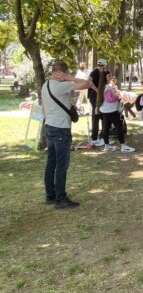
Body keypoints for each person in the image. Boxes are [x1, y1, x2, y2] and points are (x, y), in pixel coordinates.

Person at [42, 60, 92, 209]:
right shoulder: (62, 85)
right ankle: (61, 198)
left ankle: (50, 195)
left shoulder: (45, 85)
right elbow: (87, 83)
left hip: (49, 126)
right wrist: (69, 78)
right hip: (61, 128)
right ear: (62, 73)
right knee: (61, 165)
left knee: (51, 162)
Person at [97, 71, 135, 153]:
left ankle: (107, 146)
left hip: (106, 110)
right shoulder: (107, 87)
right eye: (109, 76)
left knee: (106, 128)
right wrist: (119, 96)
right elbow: (109, 99)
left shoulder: (104, 86)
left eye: (111, 75)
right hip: (111, 110)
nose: (111, 77)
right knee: (119, 127)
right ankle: (123, 146)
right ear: (104, 77)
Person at [88, 59, 108, 146]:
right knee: (96, 116)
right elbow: (89, 81)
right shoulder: (95, 72)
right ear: (104, 65)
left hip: (102, 97)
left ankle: (103, 137)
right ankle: (94, 138)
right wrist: (97, 90)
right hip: (94, 97)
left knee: (103, 115)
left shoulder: (104, 72)